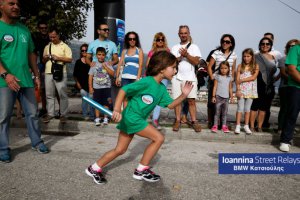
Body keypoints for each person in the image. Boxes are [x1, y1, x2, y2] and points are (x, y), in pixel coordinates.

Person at [85, 51, 193, 184]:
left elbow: (170, 105)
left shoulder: (161, 88)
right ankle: (141, 170)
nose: (175, 71)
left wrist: (183, 95)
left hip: (133, 119)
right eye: (173, 67)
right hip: (132, 117)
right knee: (159, 138)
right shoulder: (147, 81)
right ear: (161, 68)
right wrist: (117, 109)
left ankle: (94, 168)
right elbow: (124, 90)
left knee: (120, 150)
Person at [0, 0, 49, 163]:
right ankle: (3, 148)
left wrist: (36, 75)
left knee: (33, 113)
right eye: (11, 3)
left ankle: (36, 142)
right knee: (4, 116)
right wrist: (5, 75)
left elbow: (31, 54)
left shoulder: (24, 29)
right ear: (1, 6)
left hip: (26, 80)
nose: (16, 7)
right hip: (4, 82)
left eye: (18, 4)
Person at [171, 25, 202, 132]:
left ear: (189, 34)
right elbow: (171, 63)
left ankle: (194, 121)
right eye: (181, 33)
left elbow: (197, 62)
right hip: (176, 78)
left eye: (185, 33)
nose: (183, 35)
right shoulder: (174, 47)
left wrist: (187, 55)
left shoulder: (194, 47)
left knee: (191, 101)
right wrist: (180, 57)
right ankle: (178, 120)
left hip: (190, 78)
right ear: (178, 34)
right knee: (177, 101)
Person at [42, 27, 72, 124]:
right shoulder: (47, 47)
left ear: (58, 35)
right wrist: (46, 58)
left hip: (60, 71)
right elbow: (43, 60)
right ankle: (50, 113)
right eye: (50, 37)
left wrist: (58, 58)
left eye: (54, 37)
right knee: (49, 94)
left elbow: (70, 59)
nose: (52, 39)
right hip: (48, 72)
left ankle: (63, 114)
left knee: (62, 93)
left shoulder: (65, 46)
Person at [207, 34, 237, 129]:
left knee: (224, 105)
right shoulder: (216, 53)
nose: (225, 43)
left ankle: (222, 124)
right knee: (213, 103)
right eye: (223, 41)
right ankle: (212, 123)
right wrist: (212, 77)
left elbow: (233, 69)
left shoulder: (234, 55)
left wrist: (231, 81)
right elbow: (209, 66)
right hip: (216, 80)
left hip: (226, 82)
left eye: (227, 42)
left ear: (231, 44)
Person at [86, 22, 119, 107]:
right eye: (105, 30)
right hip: (96, 76)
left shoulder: (112, 44)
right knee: (96, 100)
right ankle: (96, 118)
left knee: (107, 100)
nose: (107, 31)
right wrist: (90, 63)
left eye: (108, 29)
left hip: (107, 76)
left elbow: (116, 59)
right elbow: (87, 58)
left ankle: (106, 117)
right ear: (98, 31)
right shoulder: (92, 44)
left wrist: (111, 62)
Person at [250, 37, 277, 132]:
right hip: (257, 84)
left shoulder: (273, 57)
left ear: (270, 46)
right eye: (263, 44)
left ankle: (260, 126)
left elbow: (274, 72)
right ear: (260, 45)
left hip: (269, 86)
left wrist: (273, 81)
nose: (265, 45)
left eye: (267, 44)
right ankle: (252, 126)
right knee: (255, 106)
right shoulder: (255, 56)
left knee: (264, 108)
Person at [145, 32, 170, 130]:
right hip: (154, 77)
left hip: (163, 78)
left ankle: (155, 119)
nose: (160, 41)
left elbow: (170, 64)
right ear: (155, 41)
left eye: (162, 39)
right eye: (158, 39)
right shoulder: (152, 52)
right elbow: (147, 65)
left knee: (159, 98)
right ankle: (147, 117)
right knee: (150, 97)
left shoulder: (167, 51)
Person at [279, 43, 300, 152]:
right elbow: (291, 69)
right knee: (292, 114)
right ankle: (285, 140)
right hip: (296, 86)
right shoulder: (296, 48)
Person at [115, 31, 143, 107]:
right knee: (125, 98)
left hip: (135, 78)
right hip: (125, 77)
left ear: (136, 40)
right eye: (130, 39)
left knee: (134, 98)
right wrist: (117, 77)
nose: (132, 40)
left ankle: (132, 117)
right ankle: (125, 117)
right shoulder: (124, 51)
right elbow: (120, 65)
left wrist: (138, 78)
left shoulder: (139, 51)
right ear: (127, 40)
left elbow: (140, 65)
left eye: (134, 39)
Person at [234, 48, 259, 135]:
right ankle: (237, 125)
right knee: (240, 108)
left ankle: (246, 125)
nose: (246, 58)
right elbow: (237, 79)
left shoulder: (255, 66)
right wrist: (238, 89)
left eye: (248, 56)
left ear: (252, 57)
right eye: (244, 56)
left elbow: (253, 77)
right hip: (241, 90)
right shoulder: (240, 66)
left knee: (247, 109)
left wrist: (242, 80)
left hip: (251, 91)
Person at [88, 47, 114, 126]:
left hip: (106, 87)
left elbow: (113, 74)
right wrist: (90, 87)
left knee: (106, 103)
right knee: (97, 103)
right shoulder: (93, 64)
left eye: (103, 55)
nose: (101, 56)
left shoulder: (108, 64)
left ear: (105, 55)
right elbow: (90, 76)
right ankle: (97, 118)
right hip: (97, 87)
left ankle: (106, 118)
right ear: (96, 55)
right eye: (99, 54)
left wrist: (105, 67)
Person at [262, 32, 282, 128]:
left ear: (272, 41)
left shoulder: (277, 53)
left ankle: (264, 124)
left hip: (269, 84)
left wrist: (276, 78)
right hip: (258, 83)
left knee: (267, 105)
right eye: (265, 39)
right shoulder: (258, 51)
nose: (266, 41)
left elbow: (282, 67)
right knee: (256, 105)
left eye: (269, 39)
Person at [32, 20, 50, 117]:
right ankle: (43, 108)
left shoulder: (51, 38)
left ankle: (59, 111)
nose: (43, 29)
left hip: (52, 65)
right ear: (39, 29)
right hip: (41, 65)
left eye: (45, 28)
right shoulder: (36, 39)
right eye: (41, 28)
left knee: (53, 90)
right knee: (42, 89)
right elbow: (34, 54)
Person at [210, 61, 233, 133]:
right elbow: (215, 87)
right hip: (218, 97)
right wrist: (213, 96)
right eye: (222, 68)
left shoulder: (229, 78)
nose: (223, 70)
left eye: (225, 68)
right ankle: (215, 125)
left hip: (226, 98)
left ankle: (224, 126)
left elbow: (230, 88)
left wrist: (231, 97)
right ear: (219, 69)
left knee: (224, 113)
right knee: (217, 112)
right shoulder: (217, 77)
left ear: (228, 69)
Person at [73, 43, 93, 121]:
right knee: (85, 100)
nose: (84, 51)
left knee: (91, 100)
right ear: (80, 52)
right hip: (82, 86)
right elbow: (75, 75)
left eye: (86, 50)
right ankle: (85, 115)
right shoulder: (78, 62)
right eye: (82, 50)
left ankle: (92, 116)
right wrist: (78, 85)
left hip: (91, 85)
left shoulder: (92, 61)